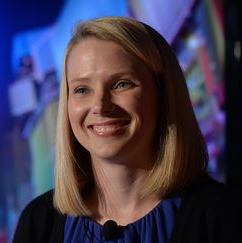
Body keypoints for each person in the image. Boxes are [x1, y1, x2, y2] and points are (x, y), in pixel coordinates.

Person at [13, 16, 240, 243]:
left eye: (122, 84)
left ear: (163, 94)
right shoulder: (38, 223)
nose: (100, 106)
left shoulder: (222, 215)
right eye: (82, 89)